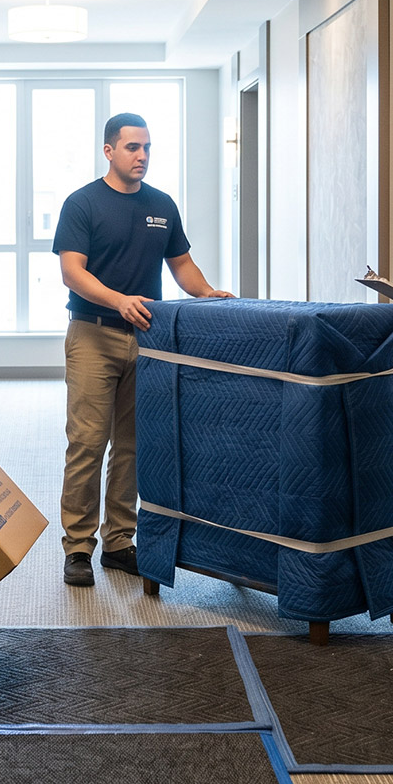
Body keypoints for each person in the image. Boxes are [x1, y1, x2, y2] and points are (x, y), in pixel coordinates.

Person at [52, 112, 233, 588]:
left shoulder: (162, 205)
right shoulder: (83, 203)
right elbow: (73, 272)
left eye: (148, 147)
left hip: (147, 339)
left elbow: (182, 263)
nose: (142, 156)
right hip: (93, 334)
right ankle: (77, 547)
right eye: (133, 147)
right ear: (109, 151)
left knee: (133, 446)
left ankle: (118, 544)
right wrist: (119, 301)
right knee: (88, 443)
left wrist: (205, 292)